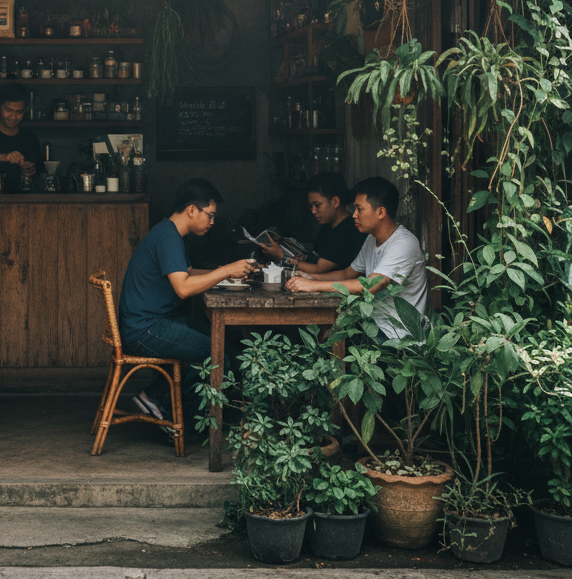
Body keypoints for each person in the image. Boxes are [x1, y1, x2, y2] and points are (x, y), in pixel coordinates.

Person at [118, 178, 257, 432]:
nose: (212, 222)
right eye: (210, 215)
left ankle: (178, 407)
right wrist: (226, 270)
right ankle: (156, 398)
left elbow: (188, 273)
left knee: (217, 341)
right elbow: (183, 288)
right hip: (146, 329)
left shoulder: (168, 232)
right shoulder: (168, 237)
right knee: (214, 354)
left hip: (151, 323)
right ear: (192, 210)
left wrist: (228, 273)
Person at [286, 176, 429, 340]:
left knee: (324, 332)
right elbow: (347, 274)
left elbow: (370, 286)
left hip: (397, 337)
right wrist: (308, 277)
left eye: (359, 209)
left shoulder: (404, 244)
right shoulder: (371, 239)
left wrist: (312, 285)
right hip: (372, 326)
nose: (354, 215)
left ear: (380, 212)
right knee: (322, 328)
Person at [259, 173, 364, 275]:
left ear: (335, 202)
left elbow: (319, 268)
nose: (313, 211)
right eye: (311, 206)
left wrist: (282, 256)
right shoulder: (327, 227)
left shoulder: (348, 230)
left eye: (317, 205)